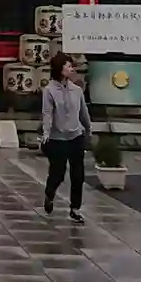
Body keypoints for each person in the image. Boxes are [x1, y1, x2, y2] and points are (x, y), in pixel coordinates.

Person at [40, 52, 91, 221]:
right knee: (58, 173)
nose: (71, 69)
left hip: (76, 136)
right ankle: (49, 194)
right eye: (68, 66)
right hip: (58, 138)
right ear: (59, 68)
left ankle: (75, 208)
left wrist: (88, 130)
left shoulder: (77, 90)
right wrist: (46, 133)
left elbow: (83, 112)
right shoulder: (49, 90)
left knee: (78, 175)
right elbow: (47, 114)